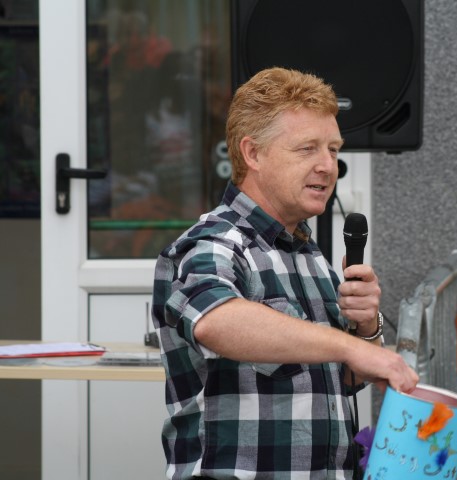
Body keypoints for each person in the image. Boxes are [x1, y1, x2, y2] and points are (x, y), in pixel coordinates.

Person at [152, 67, 419, 480]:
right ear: (253, 154)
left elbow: (343, 381)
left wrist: (367, 329)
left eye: (333, 149)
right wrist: (348, 347)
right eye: (307, 148)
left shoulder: (310, 256)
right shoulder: (213, 243)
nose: (328, 166)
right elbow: (215, 320)